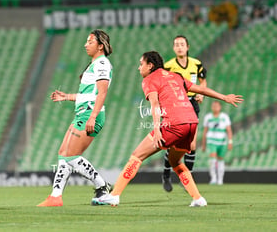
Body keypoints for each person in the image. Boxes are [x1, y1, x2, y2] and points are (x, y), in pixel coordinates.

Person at [95, 51, 242, 207]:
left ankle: (115, 195)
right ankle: (198, 198)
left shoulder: (149, 80)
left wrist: (157, 129)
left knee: (136, 156)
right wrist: (224, 97)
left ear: (150, 65)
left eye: (141, 64)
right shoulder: (175, 76)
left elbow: (155, 105)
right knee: (175, 161)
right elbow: (201, 89)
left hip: (174, 124)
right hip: (192, 122)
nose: (139, 68)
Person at [37, 29, 113, 207]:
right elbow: (88, 94)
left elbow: (102, 93)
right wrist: (67, 97)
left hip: (90, 114)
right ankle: (55, 197)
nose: (85, 45)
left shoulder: (102, 63)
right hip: (83, 112)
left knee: (70, 155)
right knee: (64, 154)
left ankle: (102, 186)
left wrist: (92, 117)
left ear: (100, 46)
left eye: (90, 42)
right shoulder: (94, 64)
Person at [162, 35, 207, 192]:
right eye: (176, 44)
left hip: (192, 104)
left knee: (192, 144)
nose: (179, 47)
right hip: (176, 105)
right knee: (173, 143)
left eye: (182, 44)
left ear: (187, 47)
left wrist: (201, 93)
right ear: (174, 48)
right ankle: (166, 174)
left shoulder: (196, 64)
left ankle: (187, 177)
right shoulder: (168, 67)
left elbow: (203, 80)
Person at [201, 101, 233, 185]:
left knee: (220, 159)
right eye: (213, 106)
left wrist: (230, 141)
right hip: (211, 140)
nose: (215, 107)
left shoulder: (224, 117)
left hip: (222, 141)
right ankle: (213, 178)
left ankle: (220, 179)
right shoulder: (208, 117)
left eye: (217, 106)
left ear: (220, 107)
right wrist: (203, 144)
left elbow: (229, 130)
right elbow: (205, 131)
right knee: (212, 158)